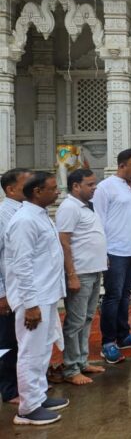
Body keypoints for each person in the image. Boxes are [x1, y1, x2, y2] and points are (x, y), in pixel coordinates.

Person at [4, 172, 68, 425]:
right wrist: (30, 304)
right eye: (53, 188)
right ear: (37, 192)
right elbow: (22, 265)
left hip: (46, 294)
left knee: (42, 349)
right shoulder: (24, 221)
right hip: (33, 298)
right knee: (30, 352)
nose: (58, 191)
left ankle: (38, 396)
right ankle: (28, 409)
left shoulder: (40, 215)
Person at [93, 149, 131, 364]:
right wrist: (103, 251)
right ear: (121, 165)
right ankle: (108, 342)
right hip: (114, 251)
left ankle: (123, 335)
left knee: (125, 295)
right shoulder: (105, 187)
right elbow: (98, 221)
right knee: (113, 296)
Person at [56, 169, 107, 385]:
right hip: (80, 272)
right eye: (90, 184)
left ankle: (82, 361)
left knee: (86, 319)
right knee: (75, 322)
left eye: (95, 184)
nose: (95, 188)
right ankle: (71, 368)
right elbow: (64, 241)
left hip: (93, 270)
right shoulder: (69, 207)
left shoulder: (86, 206)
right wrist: (71, 275)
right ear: (76, 186)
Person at [0, 168, 31, 406]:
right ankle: (9, 390)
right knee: (7, 341)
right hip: (8, 291)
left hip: (24, 290)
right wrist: (1, 294)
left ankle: (26, 384)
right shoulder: (3, 215)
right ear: (11, 189)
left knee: (23, 340)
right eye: (27, 184)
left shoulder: (26, 211)